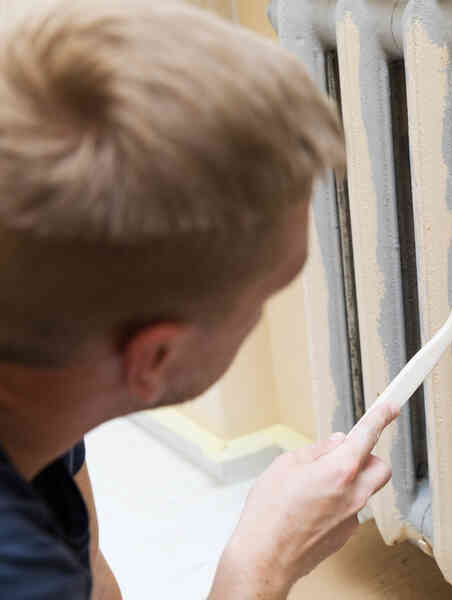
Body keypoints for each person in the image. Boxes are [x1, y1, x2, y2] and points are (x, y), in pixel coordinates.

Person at [0, 1, 398, 598]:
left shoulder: (32, 371)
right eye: (263, 297)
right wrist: (263, 561)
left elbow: (86, 569)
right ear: (155, 358)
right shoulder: (21, 572)